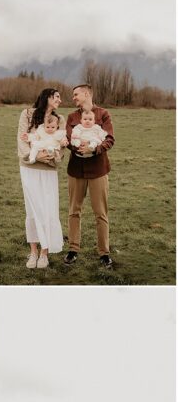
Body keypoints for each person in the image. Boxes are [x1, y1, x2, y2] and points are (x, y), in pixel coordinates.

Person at [63, 84, 115, 270]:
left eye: (76, 94)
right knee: (74, 211)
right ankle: (73, 249)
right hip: (76, 170)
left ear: (86, 94)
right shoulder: (71, 117)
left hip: (98, 170)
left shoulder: (104, 114)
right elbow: (67, 139)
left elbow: (109, 139)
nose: (74, 98)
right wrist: (78, 148)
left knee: (101, 213)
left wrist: (94, 149)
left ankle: (104, 253)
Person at [17, 88, 65, 270]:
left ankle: (45, 253)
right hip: (29, 167)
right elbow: (21, 139)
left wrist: (52, 158)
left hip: (48, 170)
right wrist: (34, 156)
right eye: (57, 97)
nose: (60, 100)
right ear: (47, 97)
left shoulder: (59, 120)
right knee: (32, 209)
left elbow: (61, 144)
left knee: (48, 208)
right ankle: (33, 251)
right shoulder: (27, 114)